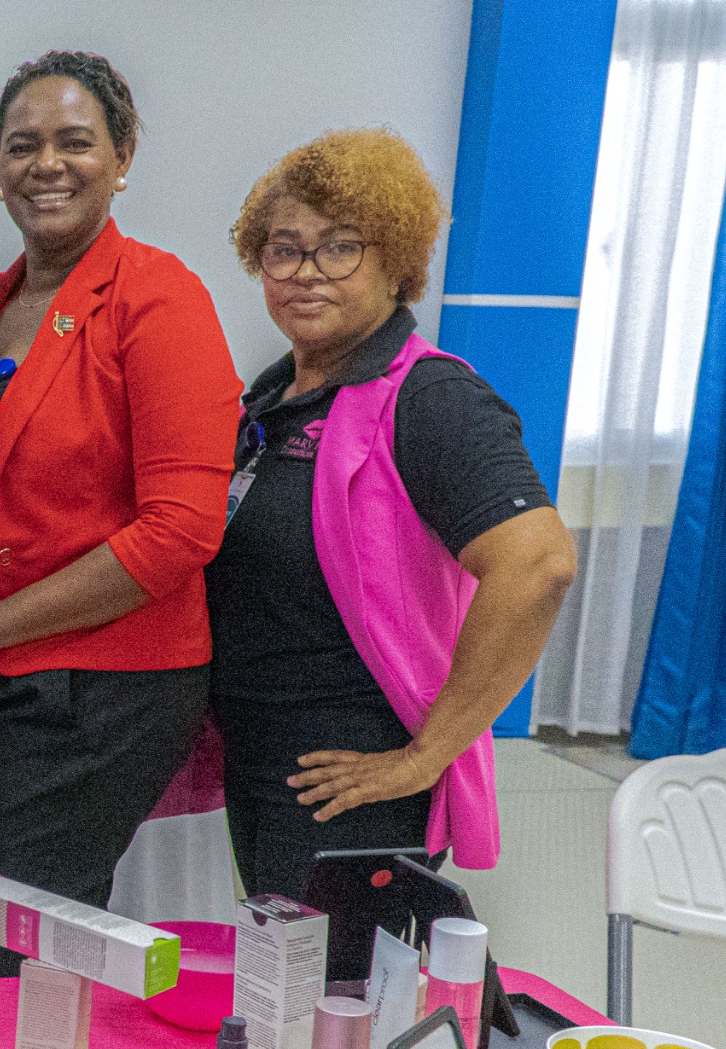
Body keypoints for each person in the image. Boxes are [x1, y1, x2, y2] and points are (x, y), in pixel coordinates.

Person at [0, 52, 237, 977]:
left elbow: (182, 530)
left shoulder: (157, 298)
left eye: (76, 142)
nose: (47, 165)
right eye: (23, 146)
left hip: (100, 683)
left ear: (123, 155)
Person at [212, 129, 577, 899]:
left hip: (357, 786)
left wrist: (424, 756)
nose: (306, 272)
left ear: (394, 264)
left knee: (327, 1014)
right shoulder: (270, 401)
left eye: (339, 248)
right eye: (284, 249)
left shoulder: (434, 400)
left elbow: (538, 565)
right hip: (264, 765)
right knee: (280, 1003)